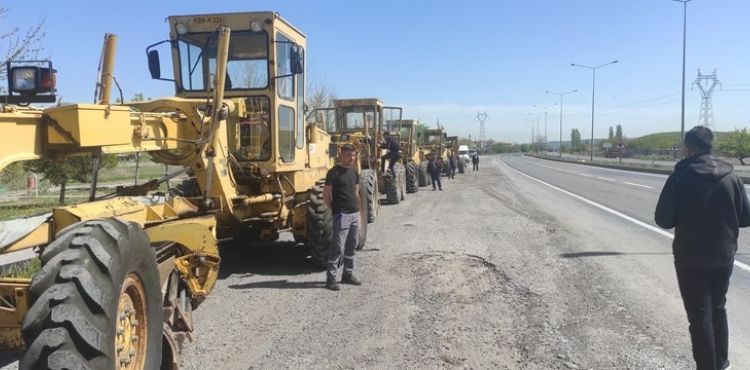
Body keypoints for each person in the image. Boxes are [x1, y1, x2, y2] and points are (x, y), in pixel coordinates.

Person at [655, 126, 750, 370]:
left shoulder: (679, 177)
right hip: (724, 256)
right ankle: (722, 362)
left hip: (690, 258)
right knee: (718, 308)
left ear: (688, 148)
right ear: (711, 146)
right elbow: (745, 218)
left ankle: (708, 367)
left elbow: (663, 220)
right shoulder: (732, 176)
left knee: (699, 316)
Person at [323, 144, 363, 291]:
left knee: (352, 246)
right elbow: (326, 195)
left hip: (354, 214)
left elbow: (356, 193)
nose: (351, 158)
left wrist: (359, 213)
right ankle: (331, 279)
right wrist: (334, 211)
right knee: (337, 248)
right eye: (348, 155)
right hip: (342, 215)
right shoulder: (333, 173)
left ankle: (347, 274)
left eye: (353, 155)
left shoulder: (354, 173)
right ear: (341, 155)